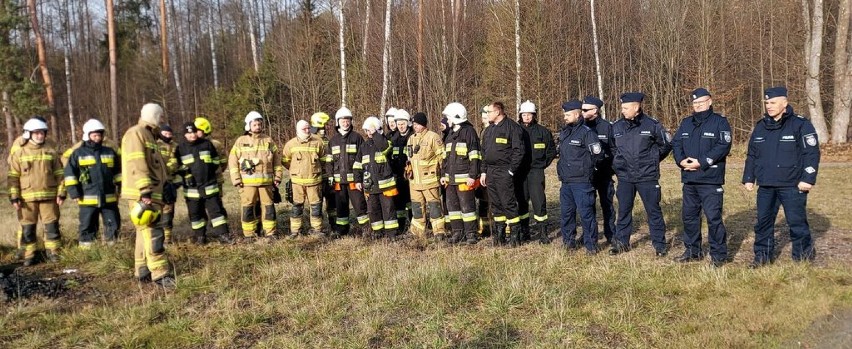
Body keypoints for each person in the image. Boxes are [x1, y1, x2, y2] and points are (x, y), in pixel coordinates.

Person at [743, 86, 820, 268]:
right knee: (763, 223)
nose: (769, 106)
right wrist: (748, 177)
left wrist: (808, 179)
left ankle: (802, 258)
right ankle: (762, 256)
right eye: (767, 103)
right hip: (766, 185)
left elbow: (812, 153)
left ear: (784, 103)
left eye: (773, 102)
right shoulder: (761, 126)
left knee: (796, 223)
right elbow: (752, 154)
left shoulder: (800, 124)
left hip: (792, 185)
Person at [672, 88, 732, 267]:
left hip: (710, 178)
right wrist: (681, 160)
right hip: (689, 178)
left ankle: (718, 255)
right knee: (689, 216)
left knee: (713, 218)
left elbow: (724, 145)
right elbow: (676, 143)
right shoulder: (686, 123)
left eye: (701, 102)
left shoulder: (719, 122)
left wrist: (702, 162)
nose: (697, 105)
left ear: (709, 102)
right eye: (695, 103)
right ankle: (692, 250)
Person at [610, 92, 672, 256]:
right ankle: (621, 243)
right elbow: (613, 148)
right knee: (623, 211)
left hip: (647, 176)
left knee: (653, 211)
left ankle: (659, 245)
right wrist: (618, 164)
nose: (622, 110)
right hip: (625, 177)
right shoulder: (616, 127)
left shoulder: (652, 125)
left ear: (636, 107)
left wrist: (652, 159)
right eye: (622, 107)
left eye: (625, 107)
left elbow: (665, 145)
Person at [121, 103, 175, 288]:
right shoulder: (137, 133)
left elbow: (157, 167)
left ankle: (142, 270)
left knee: (143, 231)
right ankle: (160, 274)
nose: (162, 120)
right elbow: (137, 163)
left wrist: (166, 184)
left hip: (153, 193)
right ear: (154, 115)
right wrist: (144, 190)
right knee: (154, 232)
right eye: (160, 116)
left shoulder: (150, 136)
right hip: (144, 193)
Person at [8, 117, 66, 266]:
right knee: (28, 228)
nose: (40, 136)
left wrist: (61, 192)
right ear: (28, 134)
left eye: (42, 133)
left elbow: (60, 174)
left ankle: (53, 252)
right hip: (27, 199)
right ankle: (29, 255)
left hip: (49, 196)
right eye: (37, 133)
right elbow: (13, 177)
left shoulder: (50, 151)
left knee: (52, 225)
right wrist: (14, 197)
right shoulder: (19, 153)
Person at [64, 119, 122, 249]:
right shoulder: (78, 153)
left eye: (99, 135)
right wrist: (74, 193)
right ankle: (87, 250)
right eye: (95, 135)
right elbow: (70, 174)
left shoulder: (109, 152)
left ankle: (112, 249)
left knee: (113, 223)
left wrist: (121, 188)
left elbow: (118, 172)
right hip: (87, 198)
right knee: (87, 224)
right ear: (87, 135)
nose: (98, 138)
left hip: (109, 198)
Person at [557, 100, 605, 254]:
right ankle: (568, 242)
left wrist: (587, 169)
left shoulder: (587, 133)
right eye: (564, 114)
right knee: (566, 214)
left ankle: (591, 245)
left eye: (568, 114)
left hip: (582, 182)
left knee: (586, 214)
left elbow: (598, 155)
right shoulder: (565, 133)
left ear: (577, 114)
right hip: (566, 182)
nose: (565, 117)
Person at [228, 111, 284, 240]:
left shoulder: (268, 140)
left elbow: (277, 161)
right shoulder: (241, 141)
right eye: (255, 124)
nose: (258, 126)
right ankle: (249, 234)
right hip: (247, 184)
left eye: (259, 124)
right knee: (248, 208)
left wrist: (278, 177)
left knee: (268, 208)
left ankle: (270, 233)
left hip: (266, 183)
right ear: (248, 126)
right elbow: (232, 161)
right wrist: (236, 179)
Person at [174, 122, 233, 245]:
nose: (192, 135)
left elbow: (216, 160)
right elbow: (177, 166)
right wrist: (186, 175)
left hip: (209, 185)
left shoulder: (207, 144)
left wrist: (209, 172)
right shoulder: (180, 148)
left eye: (194, 132)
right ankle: (200, 237)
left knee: (216, 212)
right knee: (195, 215)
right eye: (189, 133)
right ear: (185, 135)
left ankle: (223, 235)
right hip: (191, 189)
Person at [480, 101, 527, 247]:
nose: (487, 115)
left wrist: (511, 170)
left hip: (504, 171)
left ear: (498, 112)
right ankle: (499, 236)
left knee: (508, 203)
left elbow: (519, 151)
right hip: (491, 172)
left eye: (489, 112)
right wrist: (483, 172)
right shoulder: (488, 131)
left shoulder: (512, 127)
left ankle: (515, 236)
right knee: (496, 204)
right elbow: (484, 153)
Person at [441, 102, 482, 244]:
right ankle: (457, 232)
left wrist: (473, 176)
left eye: (448, 117)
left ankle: (471, 234)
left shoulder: (469, 132)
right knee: (453, 208)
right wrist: (443, 175)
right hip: (450, 179)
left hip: (465, 178)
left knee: (467, 207)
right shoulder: (450, 134)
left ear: (456, 117)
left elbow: (475, 155)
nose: (447, 120)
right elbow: (445, 158)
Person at [355, 116, 400, 239]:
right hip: (371, 185)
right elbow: (357, 165)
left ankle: (391, 234)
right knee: (373, 210)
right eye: (368, 131)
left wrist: (375, 134)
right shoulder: (363, 147)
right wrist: (358, 180)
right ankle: (377, 233)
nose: (369, 133)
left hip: (386, 185)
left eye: (371, 130)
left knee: (388, 209)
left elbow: (385, 148)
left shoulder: (386, 141)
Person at [327, 107, 370, 237]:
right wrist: (330, 176)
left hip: (354, 181)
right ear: (337, 122)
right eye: (343, 121)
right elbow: (329, 161)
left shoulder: (357, 138)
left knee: (360, 205)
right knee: (341, 208)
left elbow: (363, 158)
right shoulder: (333, 140)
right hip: (339, 182)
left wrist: (360, 178)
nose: (345, 123)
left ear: (351, 122)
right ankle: (342, 230)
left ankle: (366, 230)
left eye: (347, 121)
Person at [518, 100, 556, 243]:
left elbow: (551, 150)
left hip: (536, 172)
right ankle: (524, 232)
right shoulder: (516, 131)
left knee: (539, 201)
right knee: (521, 201)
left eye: (530, 115)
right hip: (520, 173)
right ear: (520, 115)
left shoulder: (543, 131)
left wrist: (542, 164)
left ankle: (543, 233)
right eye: (524, 114)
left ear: (534, 115)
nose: (527, 117)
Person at [405, 112, 446, 239]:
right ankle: (416, 233)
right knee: (417, 208)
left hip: (430, 180)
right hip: (414, 182)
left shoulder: (433, 137)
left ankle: (439, 232)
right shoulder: (411, 138)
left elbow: (442, 158)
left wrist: (443, 174)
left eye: (417, 124)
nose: (415, 126)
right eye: (414, 124)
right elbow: (409, 157)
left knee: (434, 207)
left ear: (423, 124)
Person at [282, 120, 326, 237]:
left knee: (316, 206)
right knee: (297, 206)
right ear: (298, 130)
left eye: (308, 128)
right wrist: (295, 170)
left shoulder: (318, 142)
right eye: (304, 129)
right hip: (297, 183)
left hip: (314, 181)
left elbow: (324, 160)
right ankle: (295, 231)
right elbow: (285, 161)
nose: (307, 131)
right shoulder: (290, 144)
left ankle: (317, 230)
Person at [581, 96, 616, 244]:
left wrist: (610, 168)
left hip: (603, 173)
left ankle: (611, 235)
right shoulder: (580, 127)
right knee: (587, 207)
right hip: (586, 175)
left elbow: (614, 150)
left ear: (595, 111)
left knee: (607, 205)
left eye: (585, 110)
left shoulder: (607, 127)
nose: (582, 112)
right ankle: (588, 235)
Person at [310, 112, 337, 231]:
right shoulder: (312, 140)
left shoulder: (326, 139)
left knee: (332, 203)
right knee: (317, 204)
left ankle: (334, 225)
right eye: (325, 124)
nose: (327, 127)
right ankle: (318, 227)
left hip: (328, 177)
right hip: (317, 178)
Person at [390, 109, 414, 230]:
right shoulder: (393, 139)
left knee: (411, 202)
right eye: (398, 124)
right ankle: (401, 226)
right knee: (399, 203)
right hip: (398, 177)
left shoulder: (413, 137)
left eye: (403, 124)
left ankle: (413, 224)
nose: (401, 126)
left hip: (411, 177)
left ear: (408, 123)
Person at [156, 124, 179, 244]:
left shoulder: (176, 146)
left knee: (169, 211)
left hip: (171, 183)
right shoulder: (156, 145)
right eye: (165, 134)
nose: (168, 136)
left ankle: (167, 238)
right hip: (157, 183)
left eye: (170, 134)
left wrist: (172, 166)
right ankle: (157, 237)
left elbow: (177, 162)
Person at [475, 106, 491, 237]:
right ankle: (484, 227)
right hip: (482, 170)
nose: (484, 116)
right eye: (483, 114)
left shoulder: (492, 130)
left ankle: (497, 226)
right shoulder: (482, 131)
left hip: (490, 171)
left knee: (493, 200)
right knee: (483, 201)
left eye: (486, 114)